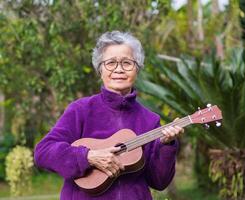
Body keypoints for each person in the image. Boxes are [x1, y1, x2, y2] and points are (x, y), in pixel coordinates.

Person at [34, 31, 184, 200]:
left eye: (127, 63)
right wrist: (87, 157)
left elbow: (159, 181)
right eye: (111, 63)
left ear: (137, 68)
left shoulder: (150, 120)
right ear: (100, 69)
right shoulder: (81, 110)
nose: (119, 69)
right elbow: (43, 152)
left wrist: (167, 146)